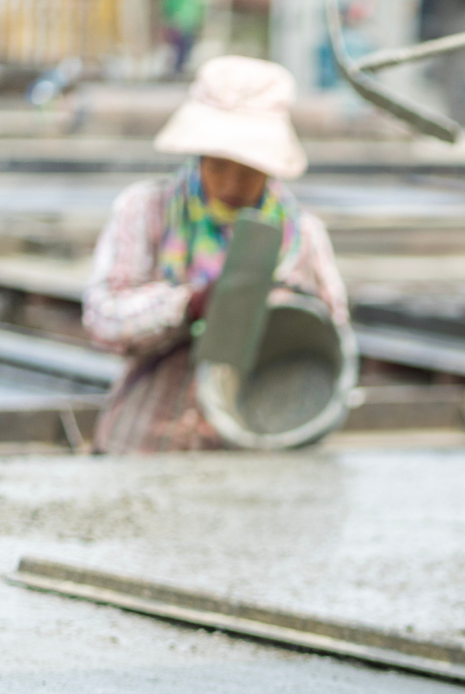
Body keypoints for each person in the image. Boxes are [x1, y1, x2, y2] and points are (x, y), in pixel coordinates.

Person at [83, 56, 348, 455]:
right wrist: (190, 304)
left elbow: (335, 339)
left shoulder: (302, 235)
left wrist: (278, 308)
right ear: (200, 155)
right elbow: (103, 318)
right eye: (219, 166)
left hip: (249, 454)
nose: (231, 183)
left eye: (248, 169)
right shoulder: (147, 209)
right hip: (144, 442)